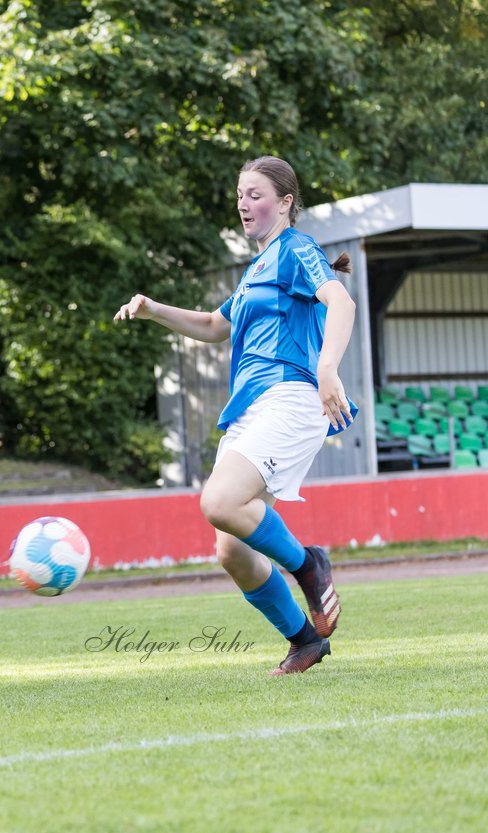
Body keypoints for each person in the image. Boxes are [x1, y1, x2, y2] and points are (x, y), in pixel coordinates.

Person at [114, 155, 357, 675]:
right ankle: (305, 640)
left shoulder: (296, 250)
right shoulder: (258, 268)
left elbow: (343, 304)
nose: (244, 204)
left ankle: (309, 563)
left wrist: (328, 368)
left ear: (285, 203)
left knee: (220, 501)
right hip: (250, 410)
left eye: (256, 194)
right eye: (241, 195)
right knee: (231, 548)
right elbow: (210, 324)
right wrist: (153, 308)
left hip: (290, 397)